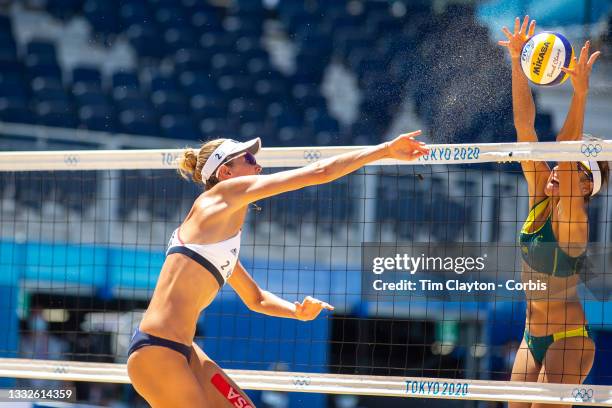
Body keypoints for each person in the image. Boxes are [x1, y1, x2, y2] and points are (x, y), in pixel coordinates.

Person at [127, 131, 429, 407]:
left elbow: (256, 299)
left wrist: (296, 311)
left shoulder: (216, 237)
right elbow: (320, 172)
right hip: (158, 351)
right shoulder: (221, 196)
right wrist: (385, 150)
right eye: (248, 159)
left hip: (181, 351)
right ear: (225, 172)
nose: (258, 166)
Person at [499, 16, 608, 407]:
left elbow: (565, 149)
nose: (558, 173)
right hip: (533, 336)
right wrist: (516, 60)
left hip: (569, 340)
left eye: (569, 172)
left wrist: (580, 92)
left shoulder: (572, 217)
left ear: (584, 187)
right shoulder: (541, 196)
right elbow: (524, 128)